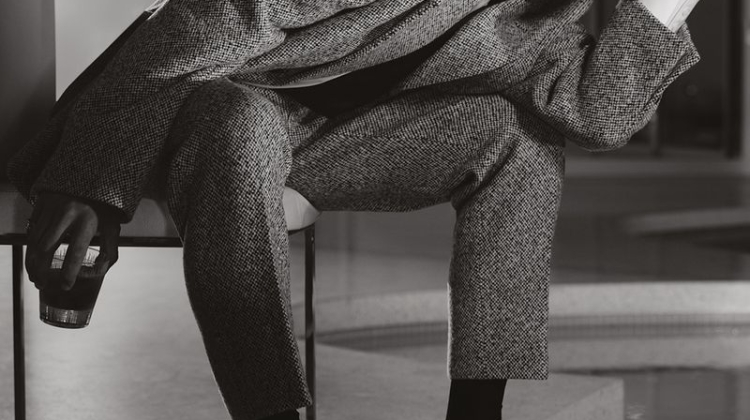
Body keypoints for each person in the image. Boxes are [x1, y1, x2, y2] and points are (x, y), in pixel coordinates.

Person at [9, 0, 701, 418]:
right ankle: (270, 412)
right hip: (204, 101)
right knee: (243, 127)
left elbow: (594, 111)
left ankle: (477, 411)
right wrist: (91, 180)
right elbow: (204, 22)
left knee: (521, 139)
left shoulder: (536, 19)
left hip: (322, 139)